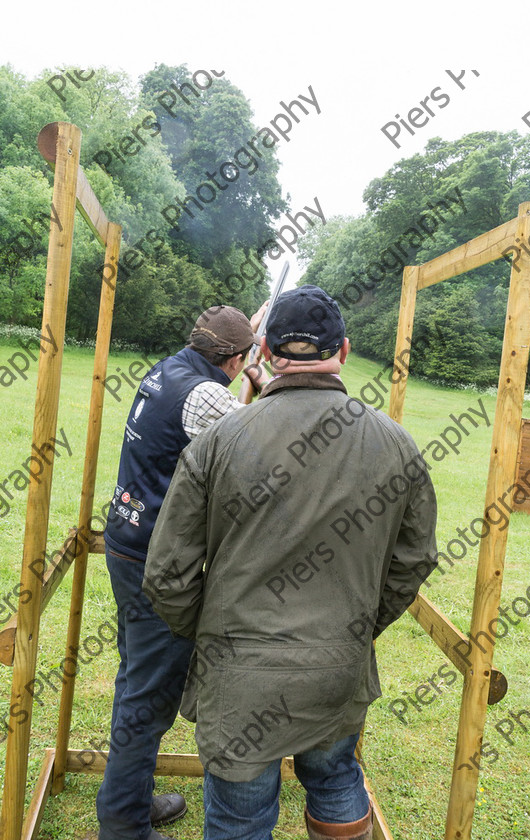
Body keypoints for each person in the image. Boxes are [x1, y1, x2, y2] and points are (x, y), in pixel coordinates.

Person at [144, 285, 438, 840]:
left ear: (266, 352)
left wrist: (212, 631)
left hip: (239, 679)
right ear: (345, 351)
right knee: (334, 779)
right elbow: (413, 561)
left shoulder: (217, 441)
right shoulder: (397, 445)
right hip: (337, 669)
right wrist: (357, 626)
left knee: (240, 818)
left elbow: (166, 576)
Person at [96, 303, 269, 840]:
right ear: (237, 359)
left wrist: (246, 351)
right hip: (157, 562)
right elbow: (255, 449)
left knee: (135, 682)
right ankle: (123, 825)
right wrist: (261, 382)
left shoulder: (168, 368)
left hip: (126, 541)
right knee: (148, 700)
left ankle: (130, 799)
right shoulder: (209, 394)